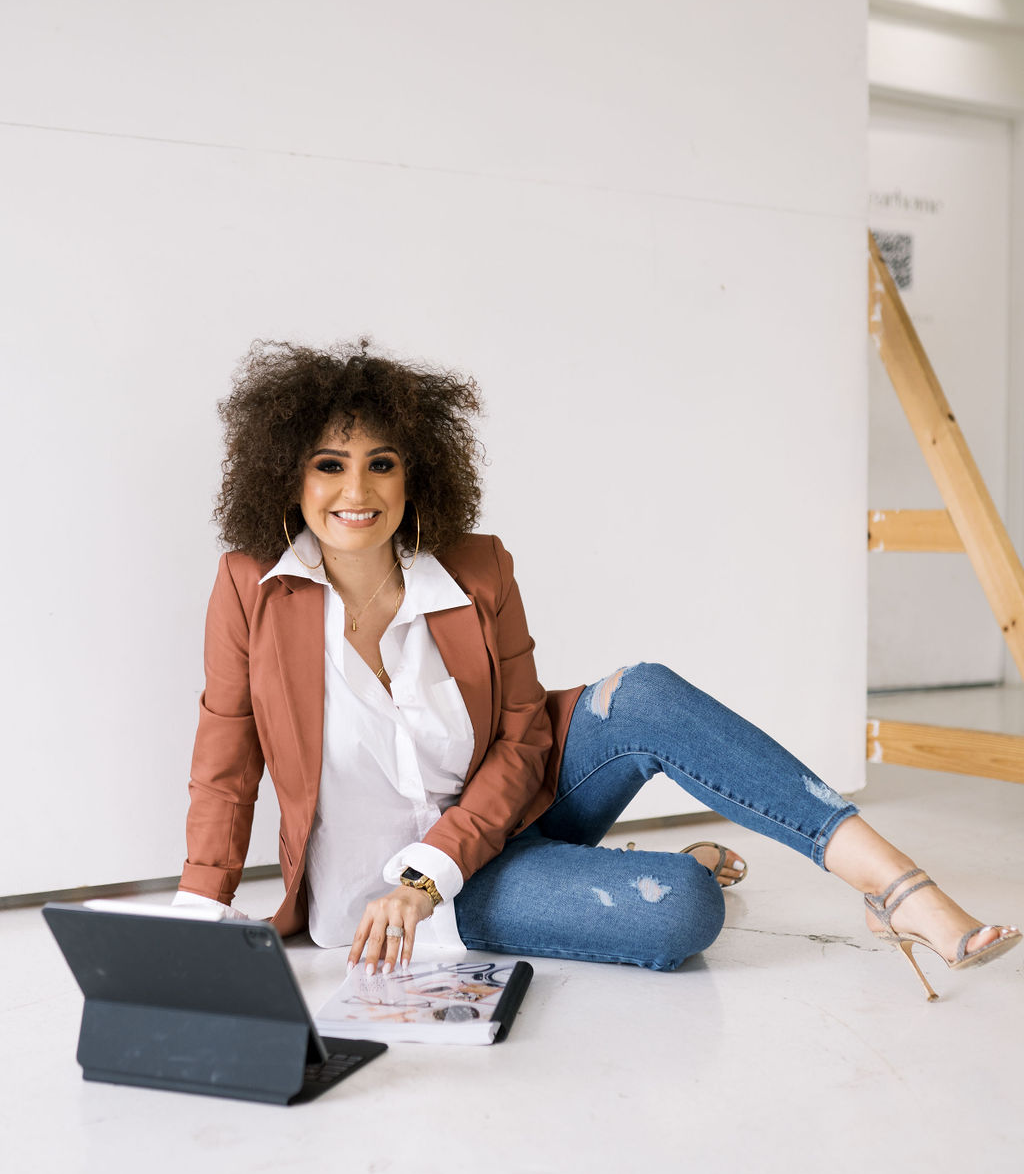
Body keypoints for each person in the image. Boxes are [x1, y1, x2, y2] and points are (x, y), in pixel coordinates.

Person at [173, 338, 1020, 1001]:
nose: (357, 491)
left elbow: (522, 741)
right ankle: (650, 869)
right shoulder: (250, 588)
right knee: (680, 908)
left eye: (381, 463)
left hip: (509, 812)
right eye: (329, 464)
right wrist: (196, 922)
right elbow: (225, 769)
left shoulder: (477, 568)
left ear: (414, 471)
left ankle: (894, 888)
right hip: (398, 895)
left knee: (642, 692)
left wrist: (438, 861)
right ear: (289, 475)